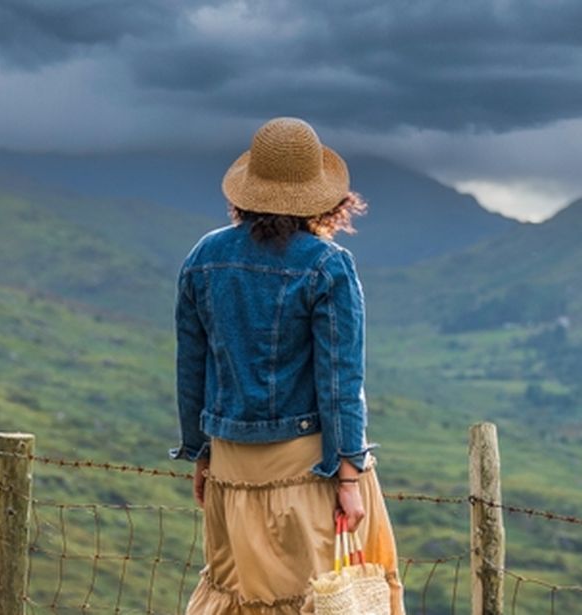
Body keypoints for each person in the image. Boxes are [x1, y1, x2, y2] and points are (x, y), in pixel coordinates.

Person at [173, 117, 404, 614]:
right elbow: (341, 379)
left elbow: (192, 370)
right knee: (319, 602)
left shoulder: (202, 258)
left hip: (230, 468)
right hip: (308, 471)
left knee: (234, 600)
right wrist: (348, 478)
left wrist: (201, 453)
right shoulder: (327, 264)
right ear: (322, 197)